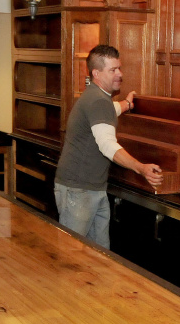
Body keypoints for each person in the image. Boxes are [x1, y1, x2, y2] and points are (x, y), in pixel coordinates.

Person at [53, 44, 163, 248]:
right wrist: (141, 168)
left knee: (100, 257)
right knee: (72, 254)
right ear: (96, 73)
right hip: (79, 190)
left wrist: (127, 105)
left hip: (90, 189)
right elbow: (107, 145)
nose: (119, 74)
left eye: (119, 68)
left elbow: (109, 110)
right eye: (113, 70)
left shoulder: (97, 97)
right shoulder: (97, 101)